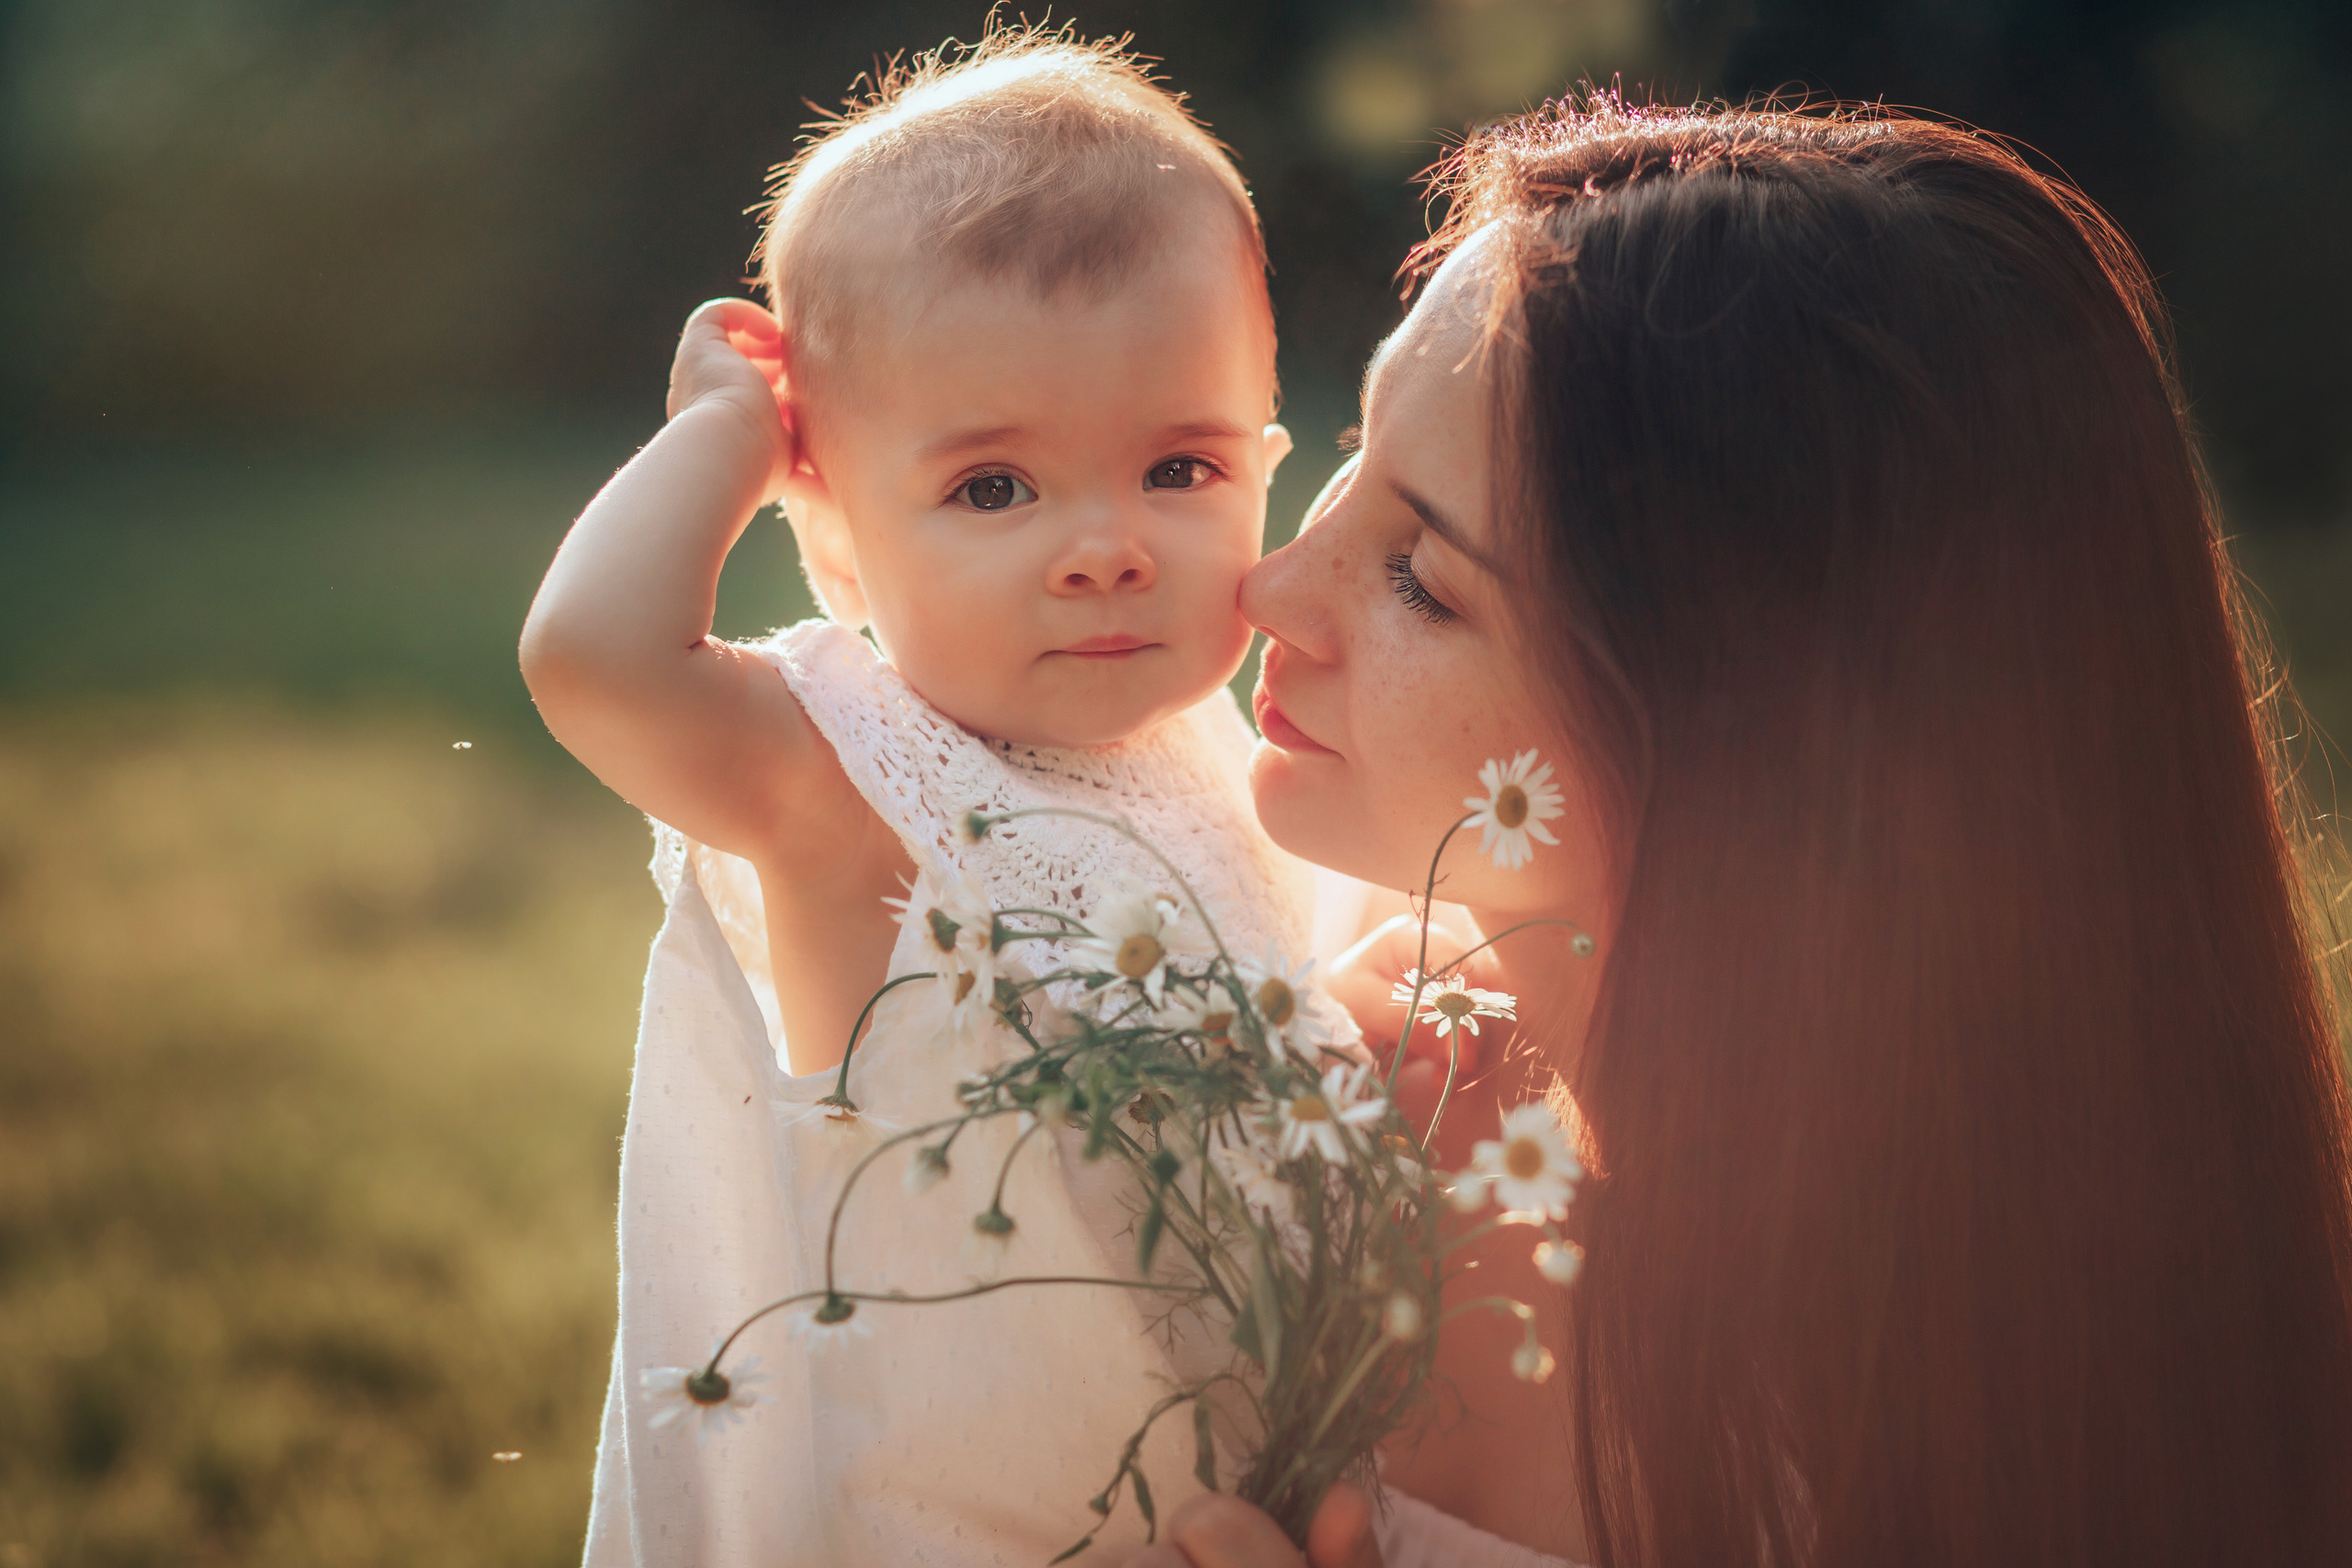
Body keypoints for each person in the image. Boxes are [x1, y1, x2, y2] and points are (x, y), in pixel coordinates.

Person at [1127, 97, 2352, 1568]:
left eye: (1423, 579)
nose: (1273, 589)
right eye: (1352, 451)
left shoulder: (1914, 1457)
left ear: (1736, 748)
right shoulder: (1313, 1026)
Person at [520, 29, 1322, 1565]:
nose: (1106, 547)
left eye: (1180, 469)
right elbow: (591, 661)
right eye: (993, 490)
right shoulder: (858, 793)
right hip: (965, 1519)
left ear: (1266, 469)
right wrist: (726, 437)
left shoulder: (1221, 751)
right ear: (825, 530)